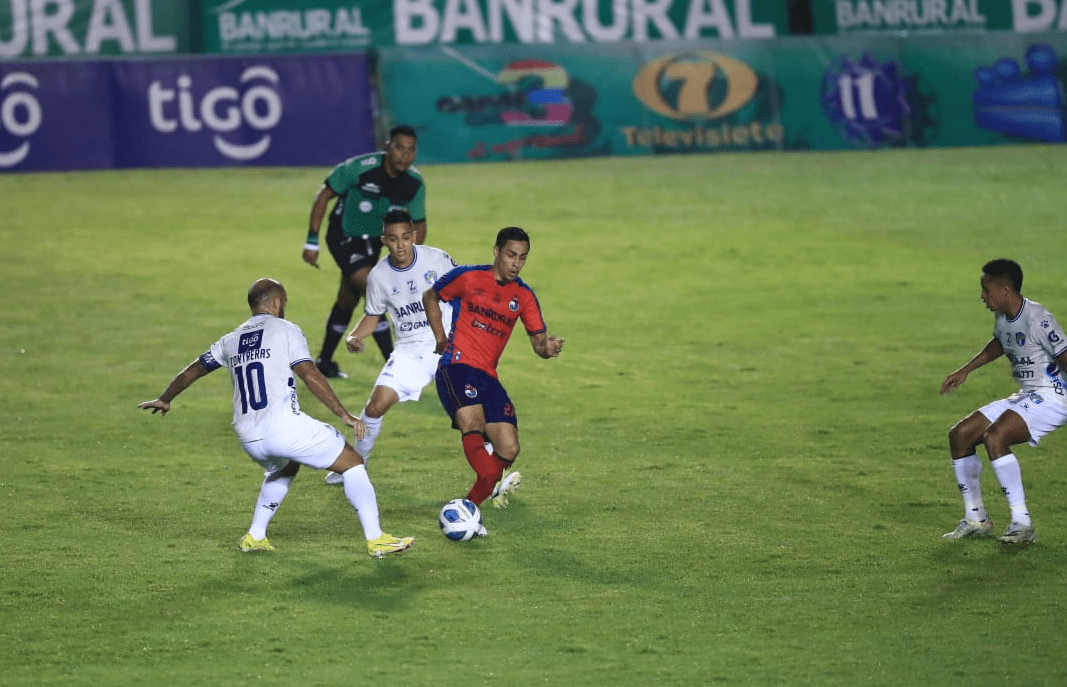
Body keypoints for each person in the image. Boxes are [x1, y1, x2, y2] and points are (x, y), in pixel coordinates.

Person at [137, 278, 414, 558]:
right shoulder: (286, 330)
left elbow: (193, 369)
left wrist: (165, 398)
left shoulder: (230, 340)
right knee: (353, 463)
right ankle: (376, 539)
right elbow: (309, 374)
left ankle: (255, 536)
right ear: (277, 302)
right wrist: (343, 414)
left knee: (285, 467)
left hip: (247, 437)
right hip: (282, 428)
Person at [422, 227, 565, 522]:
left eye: (522, 258)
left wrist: (547, 348)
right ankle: (488, 486)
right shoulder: (468, 277)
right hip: (457, 366)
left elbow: (538, 341)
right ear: (496, 251)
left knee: (509, 448)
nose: (516, 263)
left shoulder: (523, 296)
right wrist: (439, 337)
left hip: (488, 375)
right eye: (511, 255)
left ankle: (466, 509)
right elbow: (430, 297)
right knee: (474, 428)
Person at [322, 209, 458, 485]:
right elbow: (373, 315)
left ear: (414, 236)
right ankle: (354, 466)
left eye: (406, 238)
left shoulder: (437, 259)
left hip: (447, 342)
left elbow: (464, 294)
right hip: (409, 351)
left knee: (465, 408)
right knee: (375, 406)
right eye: (394, 239)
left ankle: (494, 464)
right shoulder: (378, 276)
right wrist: (353, 336)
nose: (400, 245)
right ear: (384, 240)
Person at [940, 259, 1067, 544]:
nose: (982, 296)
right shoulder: (1004, 315)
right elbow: (1001, 341)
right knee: (960, 435)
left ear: (1005, 289)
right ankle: (976, 519)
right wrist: (965, 370)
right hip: (1027, 395)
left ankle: (1022, 523)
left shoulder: (1038, 319)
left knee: (995, 437)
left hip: (1053, 397)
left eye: (986, 290)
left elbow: (1066, 358)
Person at [301, 124, 427, 379]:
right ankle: (395, 366)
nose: (404, 155)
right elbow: (323, 196)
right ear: (387, 147)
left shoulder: (414, 183)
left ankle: (324, 361)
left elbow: (419, 224)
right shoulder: (360, 168)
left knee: (347, 298)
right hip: (343, 236)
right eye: (399, 148)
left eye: (411, 150)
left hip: (374, 243)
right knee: (375, 291)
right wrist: (312, 242)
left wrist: (410, 260)